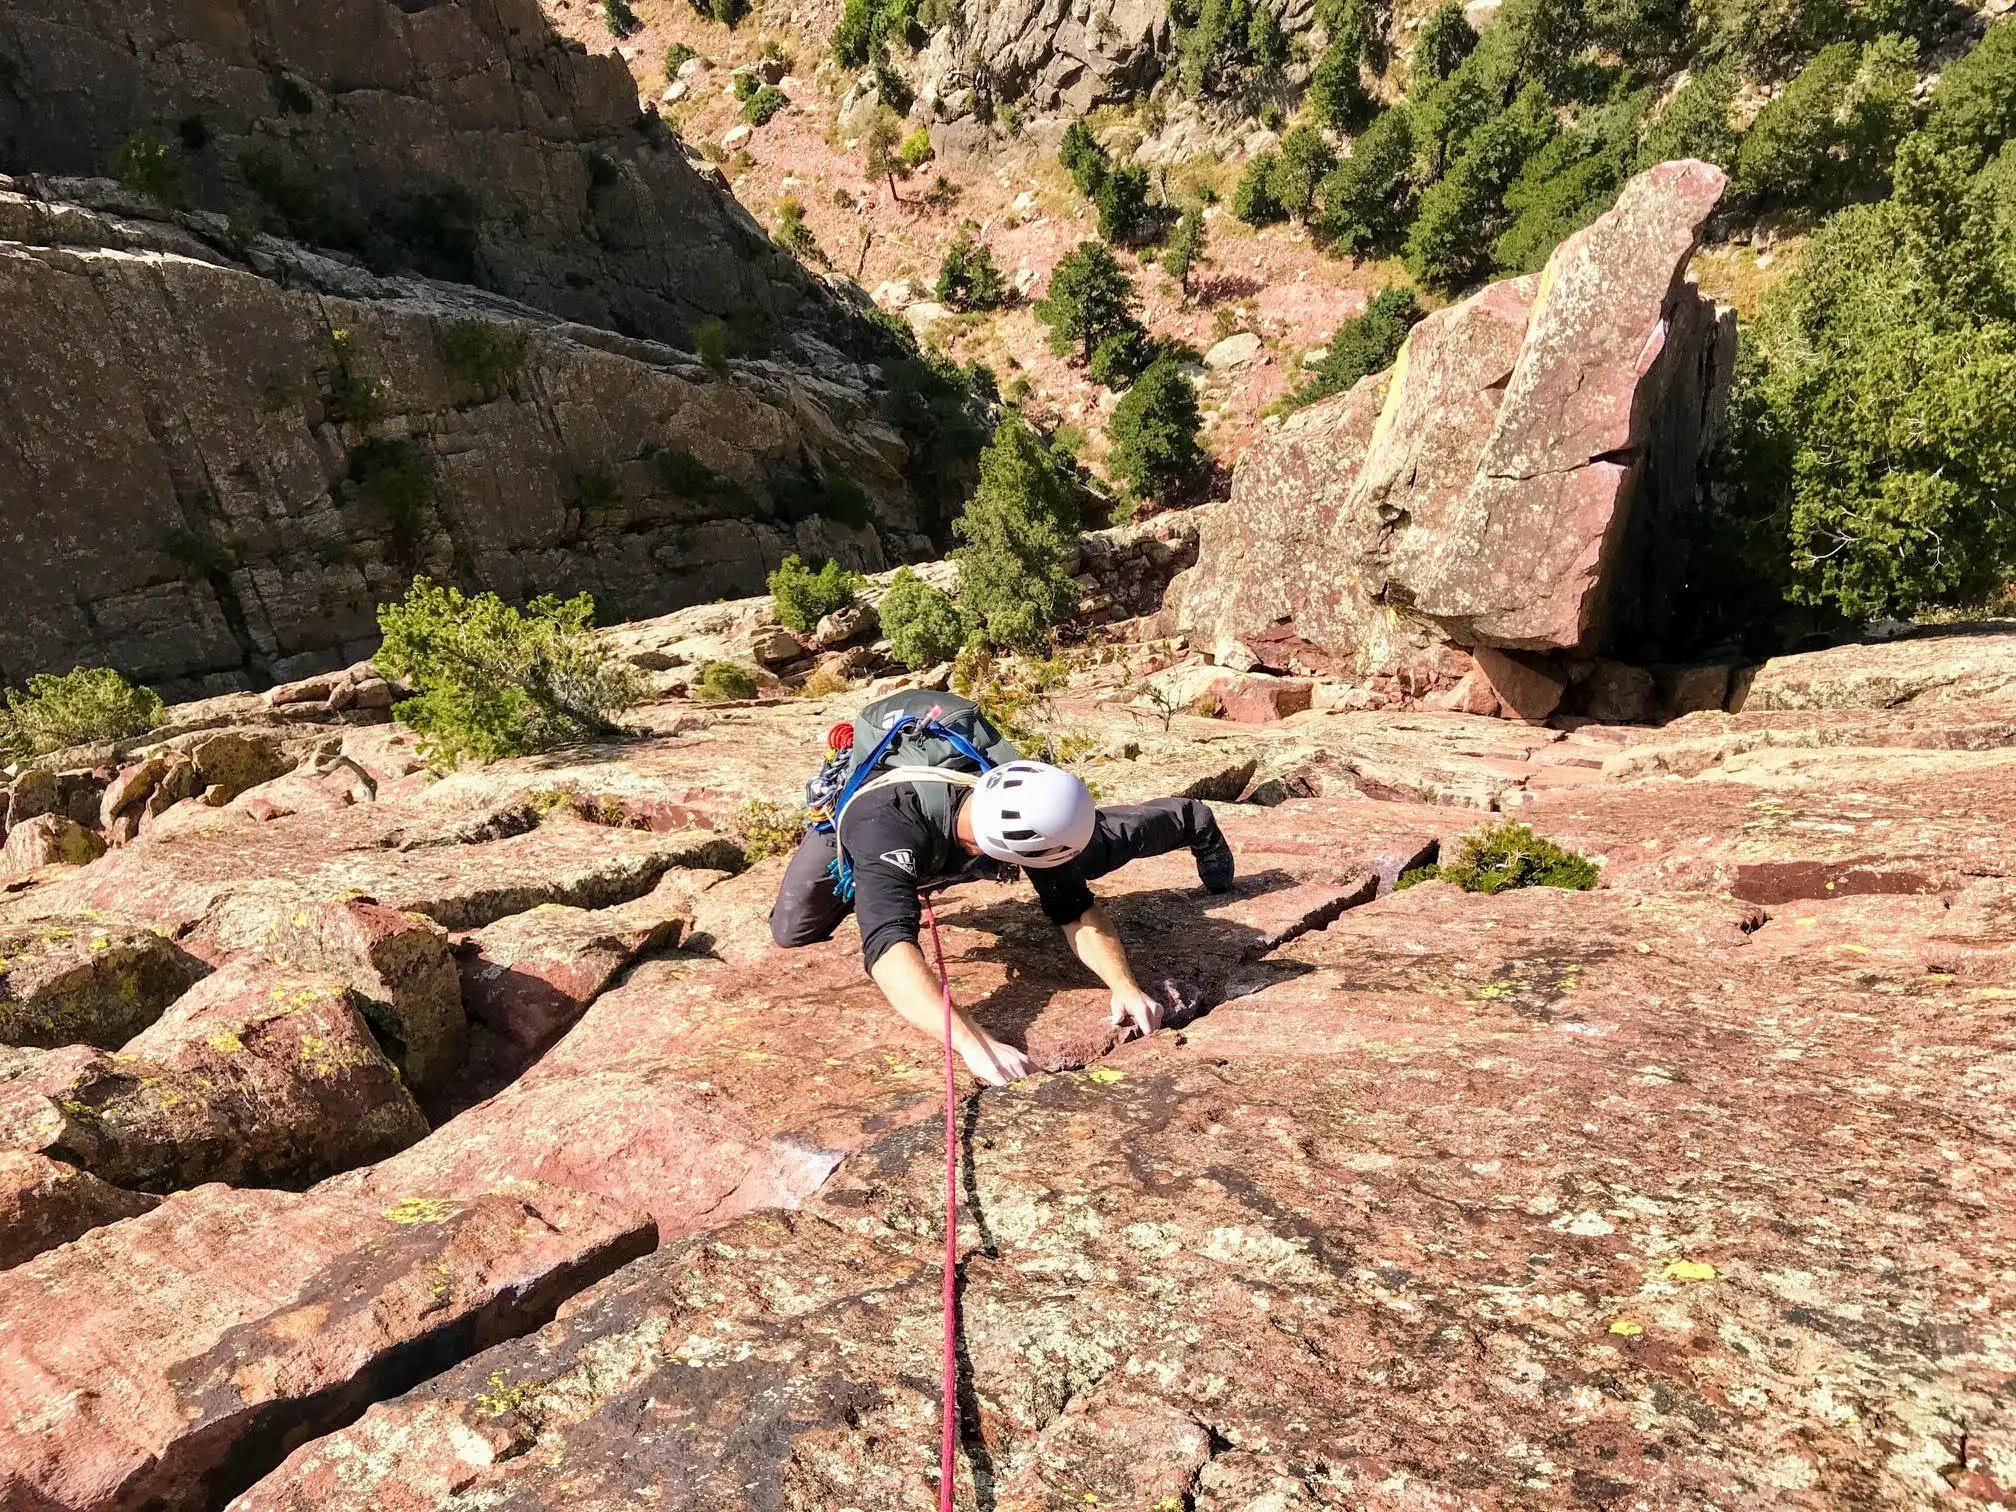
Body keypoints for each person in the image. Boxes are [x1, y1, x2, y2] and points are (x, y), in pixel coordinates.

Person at [770, 689, 1236, 1085]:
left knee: (1094, 848)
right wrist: (973, 1043)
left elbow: (1074, 909)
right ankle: (899, 878)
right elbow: (889, 950)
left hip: (978, 809)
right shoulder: (881, 827)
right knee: (793, 928)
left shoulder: (1024, 813)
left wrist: (1124, 985)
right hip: (881, 806)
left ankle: (1190, 818)